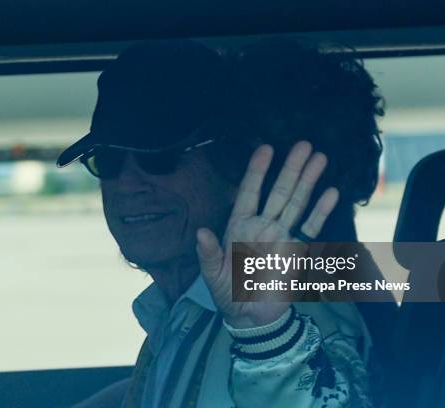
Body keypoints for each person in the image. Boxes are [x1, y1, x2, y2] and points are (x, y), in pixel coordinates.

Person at [57, 39, 386, 407]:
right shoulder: (179, 315)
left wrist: (268, 339)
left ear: (232, 169)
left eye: (161, 159)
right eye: (108, 161)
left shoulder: (290, 312)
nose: (128, 185)